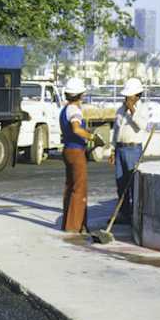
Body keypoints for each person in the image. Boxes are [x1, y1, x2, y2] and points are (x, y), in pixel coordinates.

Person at [60, 78, 103, 233]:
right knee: (79, 189)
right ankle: (75, 226)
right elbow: (77, 129)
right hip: (76, 151)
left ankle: (68, 223)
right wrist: (92, 137)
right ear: (81, 95)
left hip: (67, 149)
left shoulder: (64, 109)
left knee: (70, 187)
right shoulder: (75, 110)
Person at [108, 78, 150, 224]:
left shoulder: (143, 108)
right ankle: (124, 213)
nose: (126, 98)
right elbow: (116, 131)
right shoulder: (120, 109)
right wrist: (113, 149)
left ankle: (134, 215)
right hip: (120, 148)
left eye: (129, 96)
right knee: (121, 183)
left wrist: (133, 110)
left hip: (133, 149)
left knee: (133, 184)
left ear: (137, 95)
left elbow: (143, 126)